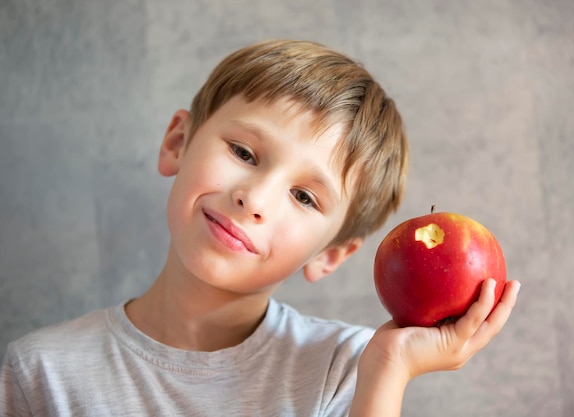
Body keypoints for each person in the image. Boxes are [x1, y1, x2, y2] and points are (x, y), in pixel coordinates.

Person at [0, 39, 520, 416]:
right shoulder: (40, 373)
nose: (254, 197)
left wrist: (390, 369)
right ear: (177, 142)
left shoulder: (349, 370)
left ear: (332, 254)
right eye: (244, 152)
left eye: (303, 196)